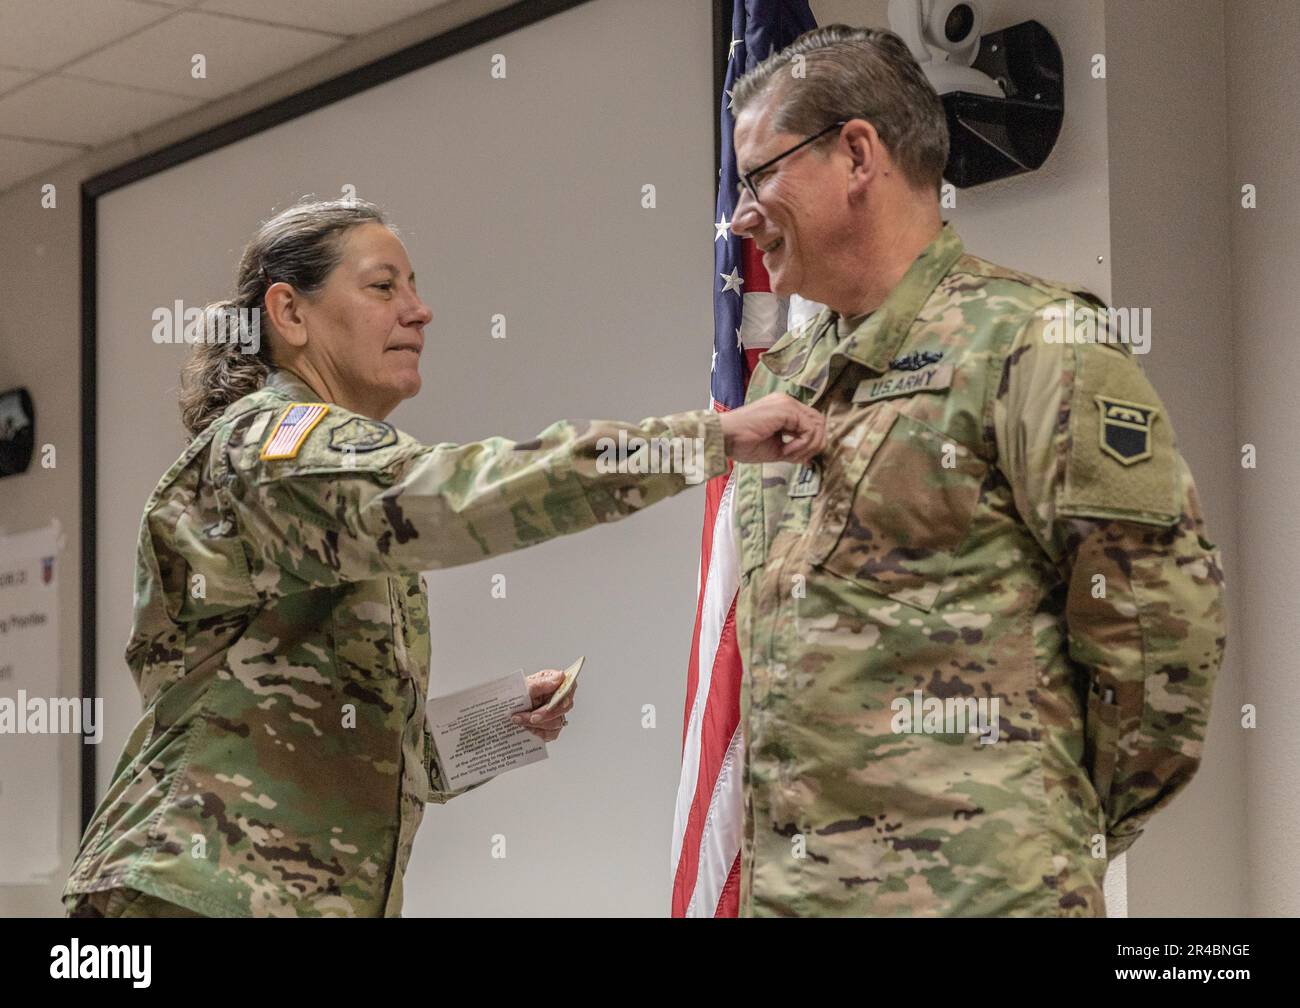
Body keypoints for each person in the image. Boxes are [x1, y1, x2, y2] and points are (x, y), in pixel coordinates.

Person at [63, 198, 824, 918]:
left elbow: (342, 745)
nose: (418, 310)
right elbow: (460, 495)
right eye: (383, 286)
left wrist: (492, 725)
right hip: (191, 894)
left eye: (415, 289)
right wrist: (702, 440)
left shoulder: (324, 479)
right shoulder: (270, 447)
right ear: (289, 312)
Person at [726, 25, 1226, 916]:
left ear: (855, 155)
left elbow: (1158, 634)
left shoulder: (1034, 344)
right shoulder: (786, 381)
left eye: (761, 174)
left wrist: (1039, 824)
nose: (741, 214)